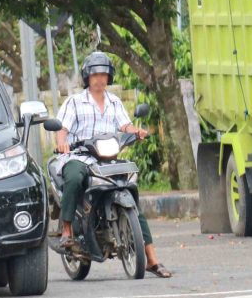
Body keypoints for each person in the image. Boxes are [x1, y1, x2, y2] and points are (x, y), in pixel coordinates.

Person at [50, 51, 173, 278]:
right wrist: (62, 144)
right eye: (95, 74)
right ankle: (67, 229)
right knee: (75, 177)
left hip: (108, 158)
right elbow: (63, 129)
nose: (99, 78)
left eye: (104, 74)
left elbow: (125, 126)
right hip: (80, 156)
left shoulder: (115, 102)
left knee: (131, 194)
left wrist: (137, 132)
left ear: (109, 77)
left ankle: (152, 260)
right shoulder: (75, 102)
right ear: (88, 77)